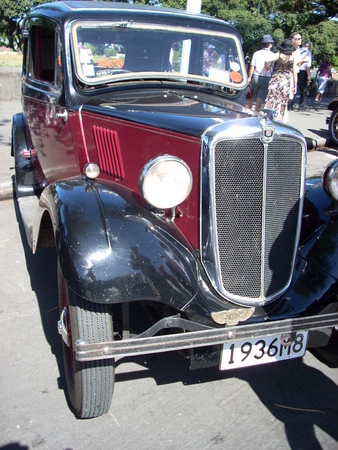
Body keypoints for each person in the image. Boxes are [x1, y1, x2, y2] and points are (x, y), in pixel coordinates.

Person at [263, 39, 297, 123]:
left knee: (271, 99)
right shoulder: (292, 58)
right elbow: (294, 73)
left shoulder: (277, 55)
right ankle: (279, 120)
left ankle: (268, 118)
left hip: (276, 79)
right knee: (283, 101)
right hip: (286, 81)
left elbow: (267, 60)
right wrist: (295, 85)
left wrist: (267, 67)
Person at [246, 34, 275, 111]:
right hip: (266, 77)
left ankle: (247, 112)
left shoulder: (256, 53)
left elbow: (252, 66)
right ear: (269, 44)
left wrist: (249, 77)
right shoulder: (272, 55)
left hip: (256, 75)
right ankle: (256, 114)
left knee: (251, 96)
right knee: (260, 98)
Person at [288, 32, 303, 110]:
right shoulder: (291, 50)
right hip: (291, 73)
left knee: (293, 91)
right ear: (293, 40)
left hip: (296, 71)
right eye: (299, 39)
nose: (301, 40)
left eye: (301, 38)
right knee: (291, 90)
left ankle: (290, 106)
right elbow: (291, 63)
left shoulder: (298, 49)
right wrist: (302, 61)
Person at [297, 41, 312, 110]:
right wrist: (308, 76)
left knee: (294, 87)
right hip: (303, 72)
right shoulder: (308, 53)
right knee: (303, 89)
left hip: (296, 70)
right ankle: (302, 105)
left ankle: (290, 104)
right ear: (308, 46)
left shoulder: (298, 51)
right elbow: (307, 66)